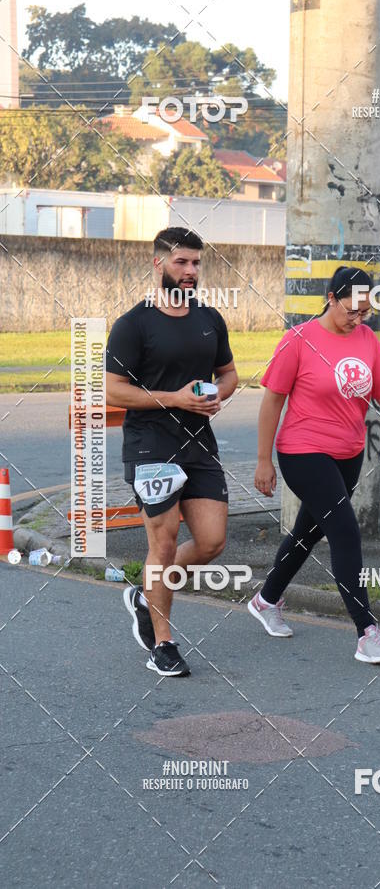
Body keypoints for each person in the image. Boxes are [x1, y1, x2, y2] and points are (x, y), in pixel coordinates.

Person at [250, 265, 380, 664]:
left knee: (308, 532)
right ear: (331, 298)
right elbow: (271, 402)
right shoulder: (298, 340)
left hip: (348, 453)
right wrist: (264, 461)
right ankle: (367, 633)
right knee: (345, 531)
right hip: (302, 450)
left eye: (365, 311)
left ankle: (266, 599)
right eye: (351, 309)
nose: (358, 318)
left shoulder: (367, 339)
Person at [106, 227, 238, 677]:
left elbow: (229, 373)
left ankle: (146, 593)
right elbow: (113, 390)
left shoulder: (209, 319)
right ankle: (163, 643)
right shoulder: (133, 324)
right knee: (161, 543)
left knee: (211, 542)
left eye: (197, 263)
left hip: (198, 443)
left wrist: (216, 395)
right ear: (158, 263)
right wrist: (175, 398)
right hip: (151, 445)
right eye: (181, 262)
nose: (190, 271)